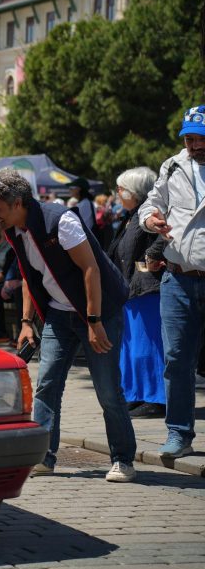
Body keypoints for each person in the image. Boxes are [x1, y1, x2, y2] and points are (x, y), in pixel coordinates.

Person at [0, 168, 136, 483]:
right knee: (47, 385)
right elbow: (29, 276)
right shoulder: (15, 229)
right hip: (58, 314)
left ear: (18, 203)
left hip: (98, 311)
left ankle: (123, 459)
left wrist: (94, 321)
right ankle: (43, 458)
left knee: (108, 390)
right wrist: (26, 322)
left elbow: (91, 269)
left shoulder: (60, 221)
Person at [139, 103, 205, 459]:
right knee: (177, 360)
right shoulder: (173, 165)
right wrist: (151, 220)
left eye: (200, 138)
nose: (194, 146)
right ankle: (179, 433)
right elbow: (150, 204)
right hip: (177, 280)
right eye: (189, 138)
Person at [107, 167, 166, 419]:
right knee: (131, 348)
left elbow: (166, 236)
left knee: (148, 347)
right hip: (130, 289)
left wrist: (152, 256)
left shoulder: (149, 213)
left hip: (147, 288)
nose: (118, 193)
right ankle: (135, 394)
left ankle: (155, 398)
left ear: (135, 191)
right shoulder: (130, 216)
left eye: (121, 189)